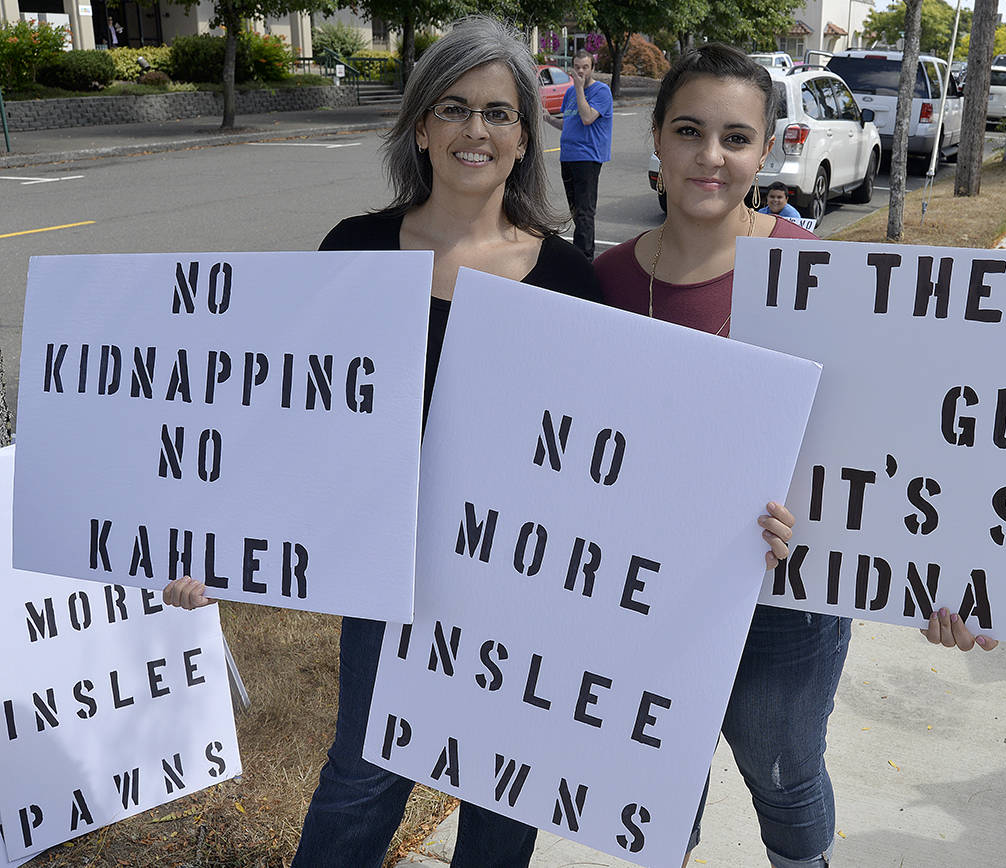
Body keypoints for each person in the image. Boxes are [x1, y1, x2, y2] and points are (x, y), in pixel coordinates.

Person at [161, 20, 797, 868]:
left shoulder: (570, 277)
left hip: (526, 582)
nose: (476, 131)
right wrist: (219, 551)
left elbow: (616, 453)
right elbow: (284, 427)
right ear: (419, 125)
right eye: (454, 109)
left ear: (524, 136)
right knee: (363, 774)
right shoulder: (353, 251)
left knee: (504, 793)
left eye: (499, 113)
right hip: (394, 575)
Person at [594, 43, 999, 868]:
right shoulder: (601, 285)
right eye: (689, 131)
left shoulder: (820, 280)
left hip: (790, 594)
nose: (712, 156)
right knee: (653, 766)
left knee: (781, 771)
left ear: (767, 148)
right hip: (641, 589)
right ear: (658, 144)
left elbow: (899, 451)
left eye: (736, 137)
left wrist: (944, 579)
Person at [542, 50, 613, 260]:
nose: (580, 71)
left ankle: (585, 258)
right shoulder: (570, 93)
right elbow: (569, 122)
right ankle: (580, 252)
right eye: (577, 67)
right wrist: (547, 118)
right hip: (568, 156)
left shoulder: (601, 91)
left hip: (588, 157)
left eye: (585, 67)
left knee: (584, 211)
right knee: (575, 210)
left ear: (593, 68)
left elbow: (587, 118)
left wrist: (580, 89)